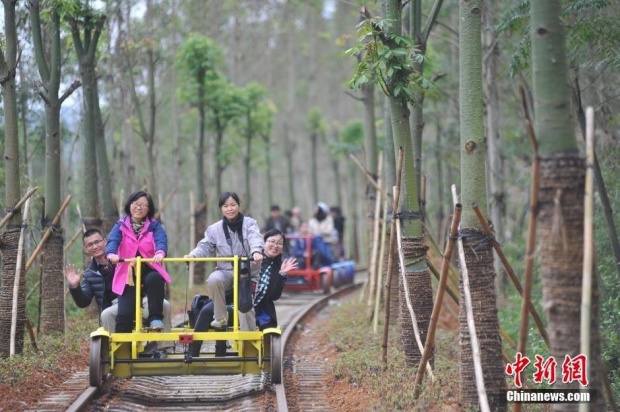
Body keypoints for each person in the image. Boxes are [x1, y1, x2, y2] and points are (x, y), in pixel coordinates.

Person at [65, 229, 172, 340]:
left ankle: (164, 348)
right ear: (86, 249)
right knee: (106, 314)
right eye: (90, 244)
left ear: (105, 241)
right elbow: (83, 302)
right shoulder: (90, 274)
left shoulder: (126, 259)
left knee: (164, 305)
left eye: (97, 242)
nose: (95, 246)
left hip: (139, 300)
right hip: (114, 306)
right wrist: (74, 286)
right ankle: (118, 352)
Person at [185, 191, 264, 329]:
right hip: (226, 272)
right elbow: (205, 245)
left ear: (239, 206)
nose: (230, 209)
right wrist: (193, 256)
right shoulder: (214, 229)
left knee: (244, 306)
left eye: (233, 205)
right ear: (221, 208)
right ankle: (220, 317)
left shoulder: (250, 224)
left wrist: (256, 251)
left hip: (246, 273)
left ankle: (248, 341)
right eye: (226, 206)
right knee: (214, 279)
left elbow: (255, 238)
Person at [105, 191, 171, 333]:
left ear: (149, 209)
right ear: (130, 205)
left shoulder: (154, 226)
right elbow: (113, 241)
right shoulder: (120, 225)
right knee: (125, 313)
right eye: (136, 204)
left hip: (149, 267)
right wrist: (111, 254)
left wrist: (160, 253)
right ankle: (123, 347)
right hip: (128, 271)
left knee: (155, 279)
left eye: (143, 205)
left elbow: (161, 241)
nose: (139, 208)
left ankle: (155, 318)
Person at [253, 229, 297, 330]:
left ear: (282, 248)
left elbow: (274, 296)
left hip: (261, 309)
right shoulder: (253, 258)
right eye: (272, 241)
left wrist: (281, 274)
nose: (275, 246)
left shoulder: (278, 267)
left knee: (270, 329)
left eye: (279, 243)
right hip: (241, 303)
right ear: (264, 242)